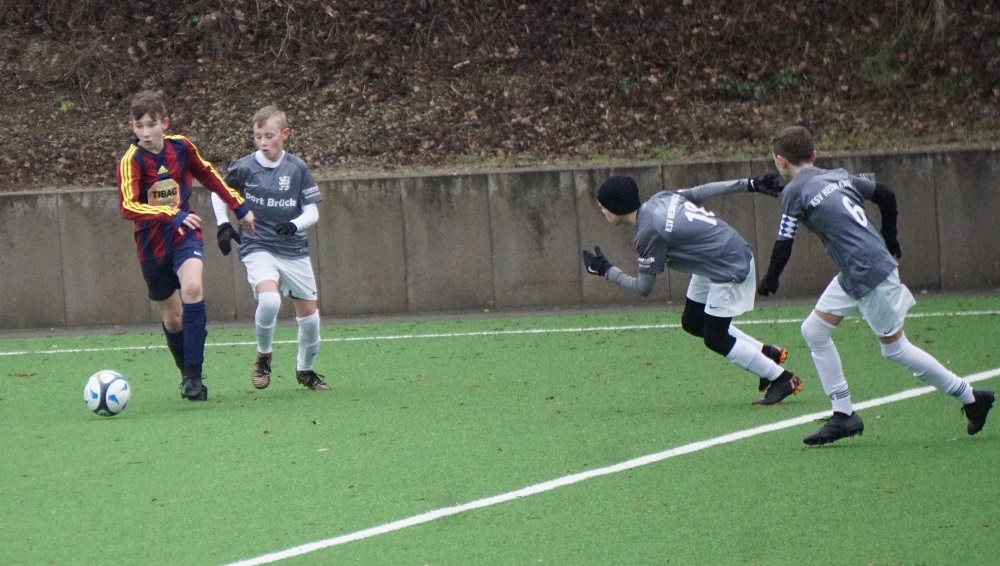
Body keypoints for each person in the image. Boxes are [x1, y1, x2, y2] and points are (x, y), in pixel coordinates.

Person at [758, 125, 994, 445]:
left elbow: (784, 242)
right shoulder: (838, 175)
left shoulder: (793, 192)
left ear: (781, 161)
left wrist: (771, 279)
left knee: (895, 349)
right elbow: (886, 195)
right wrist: (890, 239)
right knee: (814, 331)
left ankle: (970, 397)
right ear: (814, 155)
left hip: (868, 272)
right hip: (856, 271)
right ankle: (843, 414)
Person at [582, 173, 804, 405]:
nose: (602, 210)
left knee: (716, 338)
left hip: (728, 265)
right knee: (693, 322)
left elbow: (643, 288)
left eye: (603, 206)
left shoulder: (648, 232)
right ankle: (767, 353)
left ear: (616, 207)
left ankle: (782, 379)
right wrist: (749, 184)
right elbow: (702, 191)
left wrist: (606, 270)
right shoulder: (661, 198)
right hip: (715, 258)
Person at [117, 90, 256, 401]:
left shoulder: (181, 147)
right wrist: (170, 213)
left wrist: (239, 206)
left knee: (192, 288)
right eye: (139, 126)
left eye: (151, 124)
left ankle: (194, 376)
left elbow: (209, 175)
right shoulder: (131, 161)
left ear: (164, 123)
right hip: (151, 245)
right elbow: (128, 206)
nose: (146, 133)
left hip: (184, 233)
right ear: (132, 127)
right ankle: (186, 373)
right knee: (172, 317)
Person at [211, 105, 329, 391]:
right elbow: (219, 192)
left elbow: (312, 211)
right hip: (257, 244)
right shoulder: (244, 167)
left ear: (285, 134)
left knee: (310, 319)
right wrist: (223, 224)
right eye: (258, 137)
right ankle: (263, 356)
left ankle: (305, 370)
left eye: (269, 136)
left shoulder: (297, 168)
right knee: (270, 300)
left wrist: (294, 225)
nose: (263, 143)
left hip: (293, 250)